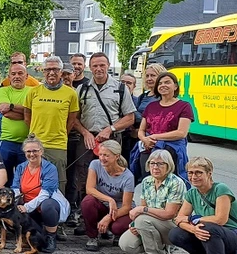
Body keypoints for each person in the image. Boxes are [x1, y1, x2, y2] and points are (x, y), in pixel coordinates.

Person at [171, 157, 237, 254]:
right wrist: (193, 229)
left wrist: (194, 219)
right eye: (190, 173)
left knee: (207, 227)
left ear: (209, 173)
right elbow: (179, 219)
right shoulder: (192, 193)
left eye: (199, 172)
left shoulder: (220, 189)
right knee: (175, 234)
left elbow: (220, 219)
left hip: (234, 235)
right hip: (211, 232)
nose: (194, 176)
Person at [72, 52, 137, 206]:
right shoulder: (82, 89)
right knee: (84, 174)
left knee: (111, 174)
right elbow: (74, 118)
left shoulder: (120, 88)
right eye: (95, 65)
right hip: (87, 140)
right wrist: (85, 132)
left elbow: (130, 118)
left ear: (108, 66)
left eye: (102, 65)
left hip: (111, 140)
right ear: (90, 68)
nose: (99, 68)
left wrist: (111, 129)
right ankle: (84, 212)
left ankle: (113, 210)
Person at [24, 56, 79, 199]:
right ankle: (35, 212)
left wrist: (60, 133)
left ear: (61, 72)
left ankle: (57, 215)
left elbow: (72, 120)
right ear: (43, 71)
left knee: (58, 182)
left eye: (55, 69)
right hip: (36, 143)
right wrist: (36, 133)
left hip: (58, 144)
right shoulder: (33, 92)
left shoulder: (71, 93)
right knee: (35, 180)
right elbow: (27, 117)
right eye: (48, 69)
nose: (51, 73)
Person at [119, 149, 185, 254]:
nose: (155, 167)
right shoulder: (147, 181)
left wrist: (142, 212)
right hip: (151, 221)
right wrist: (135, 224)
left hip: (173, 225)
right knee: (126, 244)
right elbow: (143, 206)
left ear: (168, 165)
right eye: (152, 163)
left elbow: (169, 214)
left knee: (142, 220)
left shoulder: (176, 182)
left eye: (160, 164)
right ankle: (160, 247)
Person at [7, 135, 69, 253]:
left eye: (35, 151)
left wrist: (26, 207)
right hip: (28, 208)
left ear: (41, 151)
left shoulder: (50, 168)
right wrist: (15, 205)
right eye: (28, 151)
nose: (32, 154)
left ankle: (51, 236)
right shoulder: (20, 168)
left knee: (48, 205)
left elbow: (45, 194)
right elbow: (15, 188)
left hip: (44, 204)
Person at [134, 71, 193, 182]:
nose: (163, 85)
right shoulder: (151, 106)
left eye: (167, 82)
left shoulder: (184, 106)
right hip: (148, 150)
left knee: (170, 184)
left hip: (171, 151)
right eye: (160, 83)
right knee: (148, 182)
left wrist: (155, 137)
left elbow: (181, 133)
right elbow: (141, 130)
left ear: (175, 86)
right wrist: (145, 139)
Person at [81, 140, 135, 252]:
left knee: (117, 228)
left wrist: (109, 217)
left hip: (119, 210)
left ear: (117, 156)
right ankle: (92, 237)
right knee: (88, 202)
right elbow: (89, 189)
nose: (102, 158)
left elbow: (126, 206)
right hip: (103, 204)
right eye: (100, 154)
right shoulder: (95, 164)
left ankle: (117, 234)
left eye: (106, 155)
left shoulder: (128, 177)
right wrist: (110, 199)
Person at [0, 63, 32, 186]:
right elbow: (6, 113)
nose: (17, 76)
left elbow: (36, 112)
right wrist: (28, 113)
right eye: (13, 74)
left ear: (26, 76)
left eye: (20, 73)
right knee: (4, 177)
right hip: (6, 141)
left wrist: (11, 106)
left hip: (28, 142)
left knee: (26, 178)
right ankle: (3, 203)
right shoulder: (2, 91)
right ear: (8, 77)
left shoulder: (33, 92)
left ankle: (24, 204)